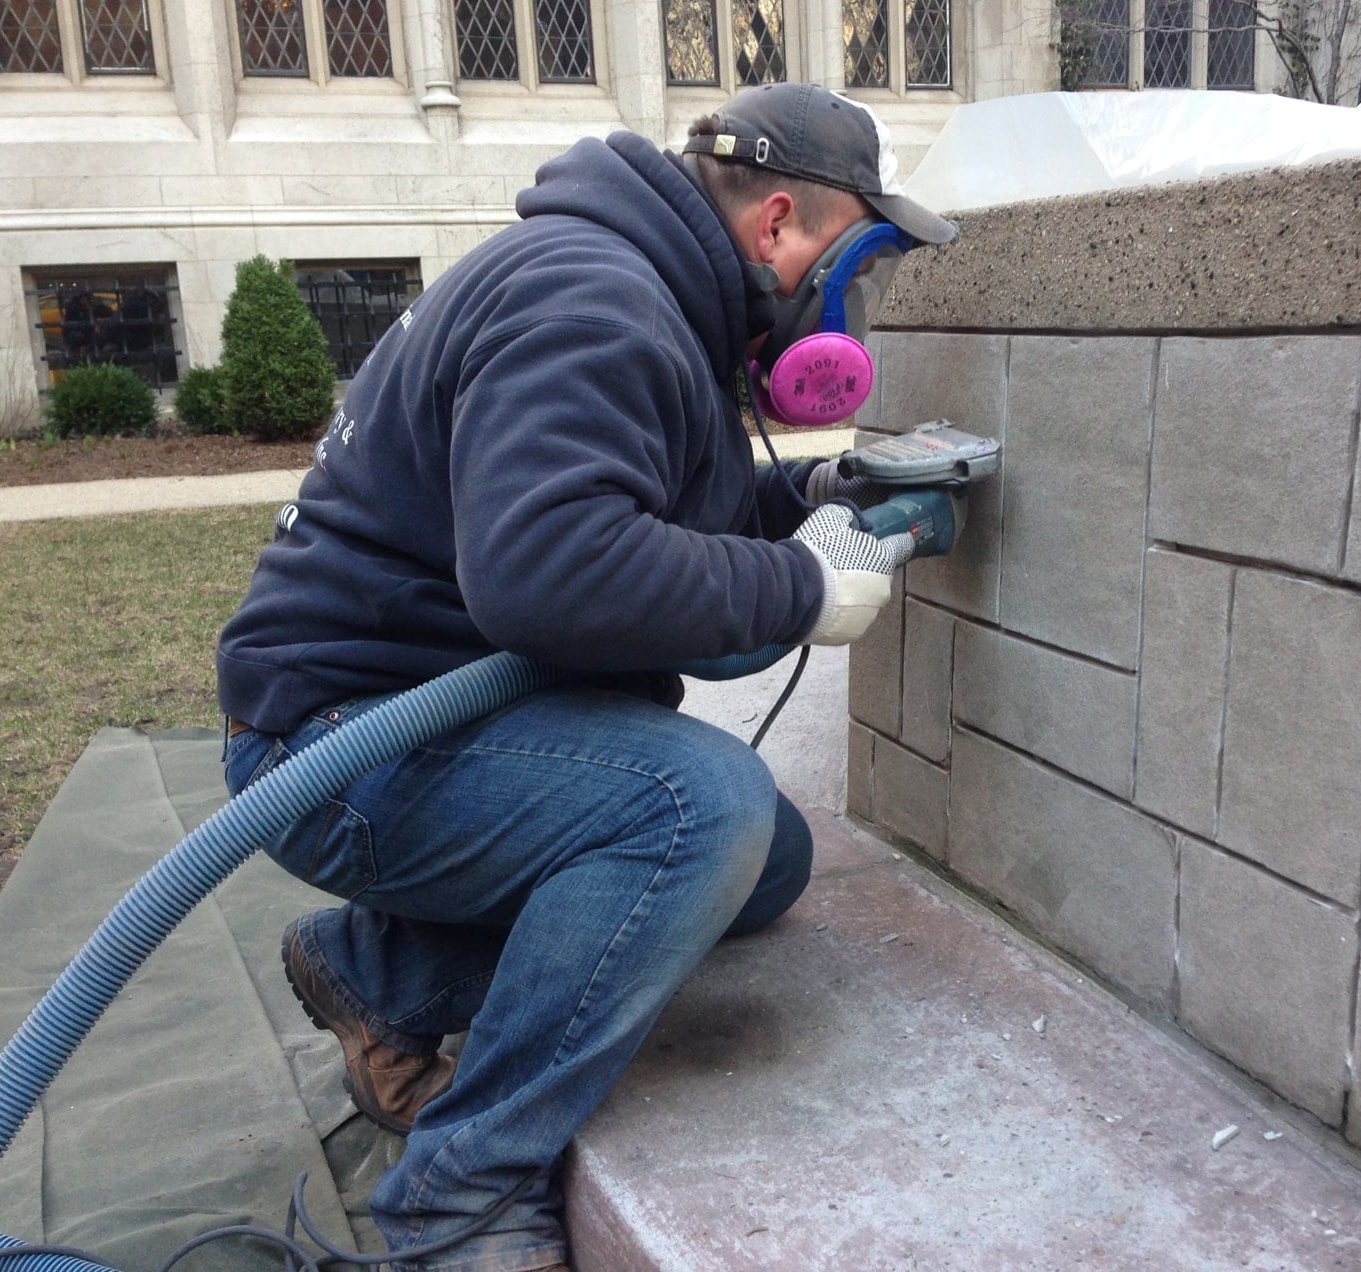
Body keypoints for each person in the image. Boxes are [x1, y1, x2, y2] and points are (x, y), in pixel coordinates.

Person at [217, 81, 956, 1272]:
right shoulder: (595, 301)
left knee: (764, 854)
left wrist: (815, 499)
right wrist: (801, 588)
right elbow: (550, 571)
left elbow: (654, 506)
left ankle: (380, 972)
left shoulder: (641, 290)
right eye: (851, 261)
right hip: (344, 752)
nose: (845, 303)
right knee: (695, 809)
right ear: (779, 225)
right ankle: (458, 1192)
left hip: (412, 727)